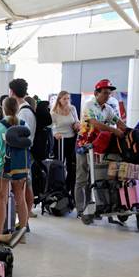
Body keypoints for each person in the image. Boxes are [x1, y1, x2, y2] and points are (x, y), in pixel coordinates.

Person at [75, 79, 126, 219]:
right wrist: (114, 131)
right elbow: (95, 124)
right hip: (84, 146)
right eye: (104, 93)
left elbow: (119, 122)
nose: (107, 96)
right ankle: (80, 209)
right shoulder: (89, 105)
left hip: (98, 148)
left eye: (109, 93)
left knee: (95, 179)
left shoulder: (108, 108)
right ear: (96, 93)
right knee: (82, 178)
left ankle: (92, 207)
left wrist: (130, 132)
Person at [0, 97, 29, 238]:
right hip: (20, 166)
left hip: (2, 165)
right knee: (21, 199)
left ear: (3, 108)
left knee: (1, 200)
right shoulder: (25, 125)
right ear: (18, 109)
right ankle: (22, 234)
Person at [11, 78, 36, 220]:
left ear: (12, 92)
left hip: (24, 153)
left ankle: (24, 222)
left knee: (23, 189)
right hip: (24, 152)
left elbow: (21, 136)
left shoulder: (24, 112)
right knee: (25, 186)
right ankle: (24, 221)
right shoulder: (24, 109)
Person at [51, 91, 80, 196]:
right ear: (59, 100)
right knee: (59, 164)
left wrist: (77, 124)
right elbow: (52, 127)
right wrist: (55, 133)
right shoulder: (54, 112)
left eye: (68, 98)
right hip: (60, 140)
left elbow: (77, 121)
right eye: (64, 99)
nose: (67, 101)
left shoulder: (72, 109)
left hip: (71, 139)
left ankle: (69, 188)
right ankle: (58, 188)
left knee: (71, 165)